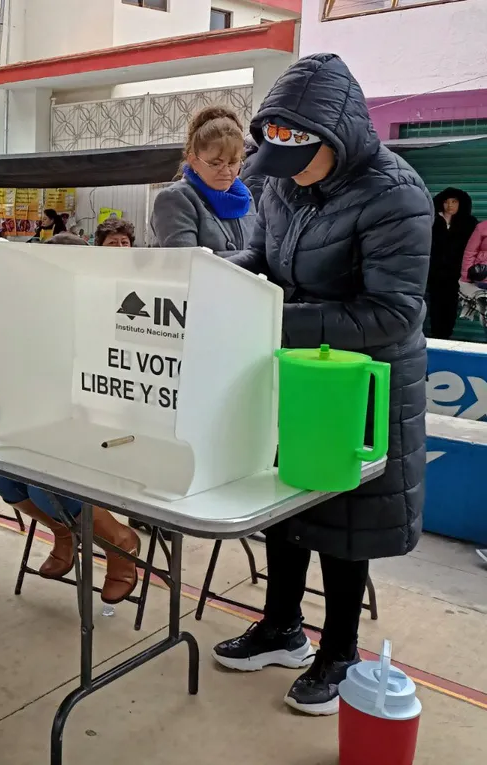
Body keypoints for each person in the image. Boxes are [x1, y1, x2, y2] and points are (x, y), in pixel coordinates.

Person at [216, 53, 429, 717]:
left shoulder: (397, 194)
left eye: (299, 161)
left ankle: (339, 650)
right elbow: (263, 256)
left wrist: (274, 316)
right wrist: (223, 278)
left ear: (334, 140)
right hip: (297, 370)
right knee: (287, 504)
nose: (285, 179)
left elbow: (394, 310)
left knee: (344, 518)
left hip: (362, 381)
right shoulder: (286, 187)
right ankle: (282, 626)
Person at [0, 233, 140, 600]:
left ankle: (118, 540)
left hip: (107, 428)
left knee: (44, 482)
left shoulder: (113, 311)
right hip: (42, 422)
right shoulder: (32, 312)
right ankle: (64, 530)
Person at [150, 105, 255, 256]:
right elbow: (187, 263)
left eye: (233, 162)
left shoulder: (247, 198)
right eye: (215, 163)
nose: (226, 171)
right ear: (193, 160)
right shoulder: (175, 199)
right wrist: (252, 259)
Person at [428, 188, 477, 339]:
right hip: (434, 275)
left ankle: (445, 337)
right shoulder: (431, 221)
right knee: (435, 309)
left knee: (450, 309)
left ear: (460, 204)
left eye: (454, 202)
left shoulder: (469, 224)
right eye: (446, 202)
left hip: (456, 276)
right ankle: (437, 338)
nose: (450, 205)